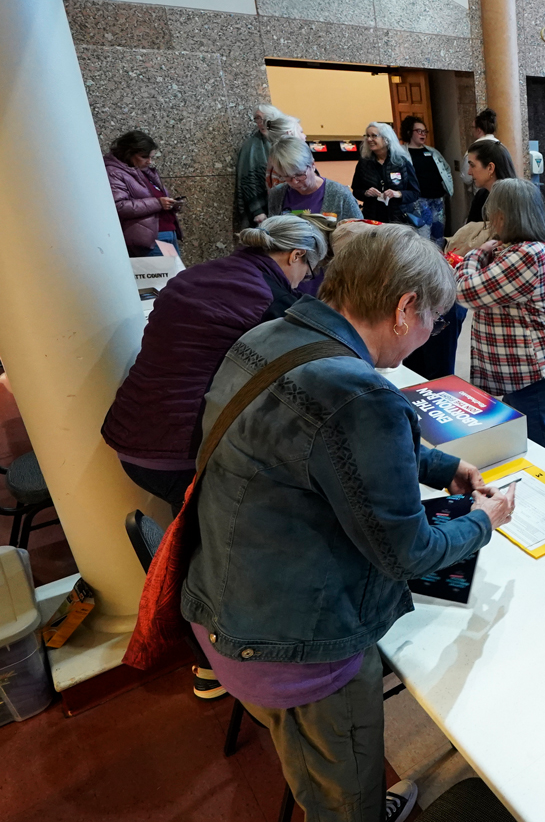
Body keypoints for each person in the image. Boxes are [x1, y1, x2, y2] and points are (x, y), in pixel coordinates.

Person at [180, 224, 518, 822]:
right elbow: (407, 553)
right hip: (302, 643)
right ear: (404, 307)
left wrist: (443, 466)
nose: (424, 339)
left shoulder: (268, 336)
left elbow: (322, 447)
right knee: (346, 791)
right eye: (432, 322)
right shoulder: (360, 390)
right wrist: (483, 522)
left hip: (230, 608)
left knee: (311, 760)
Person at [105, 215, 329, 701]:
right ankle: (217, 661)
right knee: (223, 551)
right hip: (177, 448)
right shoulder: (266, 298)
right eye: (309, 268)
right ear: (295, 256)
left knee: (201, 541)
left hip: (133, 432)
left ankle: (212, 652)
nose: (306, 278)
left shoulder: (194, 274)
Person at [455, 180, 545, 453]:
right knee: (523, 438)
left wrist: (474, 255)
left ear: (503, 215)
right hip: (526, 369)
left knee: (537, 447)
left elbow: (463, 292)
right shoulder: (526, 246)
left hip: (535, 370)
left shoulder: (528, 255)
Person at [105, 130, 181, 257]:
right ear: (128, 153)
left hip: (167, 231)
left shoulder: (145, 171)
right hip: (149, 238)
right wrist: (158, 203)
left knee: (175, 275)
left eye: (151, 157)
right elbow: (119, 206)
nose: (149, 161)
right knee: (163, 276)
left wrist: (172, 204)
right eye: (144, 157)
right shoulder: (115, 172)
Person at [266, 137, 363, 222]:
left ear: (312, 165)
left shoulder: (341, 195)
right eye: (287, 177)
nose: (294, 182)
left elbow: (359, 232)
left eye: (299, 175)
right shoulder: (277, 195)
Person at [235, 104, 300, 229]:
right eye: (257, 119)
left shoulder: (289, 144)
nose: (261, 122)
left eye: (265, 118)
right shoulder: (252, 147)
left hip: (295, 205)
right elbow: (249, 181)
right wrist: (257, 211)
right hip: (269, 208)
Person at [352, 122, 420, 226]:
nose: (369, 139)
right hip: (372, 220)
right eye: (367, 136)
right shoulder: (364, 163)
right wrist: (366, 193)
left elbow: (415, 193)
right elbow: (356, 190)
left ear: (386, 139)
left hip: (398, 220)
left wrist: (398, 194)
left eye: (374, 136)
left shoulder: (401, 162)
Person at [401, 115, 452, 242]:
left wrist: (448, 189)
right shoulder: (401, 153)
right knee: (422, 234)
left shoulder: (433, 152)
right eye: (419, 131)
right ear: (409, 132)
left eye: (425, 131)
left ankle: (439, 259)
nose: (423, 134)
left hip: (437, 199)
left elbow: (446, 169)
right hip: (418, 201)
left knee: (438, 233)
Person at [463, 138, 516, 225]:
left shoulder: (515, 200)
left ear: (490, 168)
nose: (469, 172)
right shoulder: (481, 196)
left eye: (472, 165)